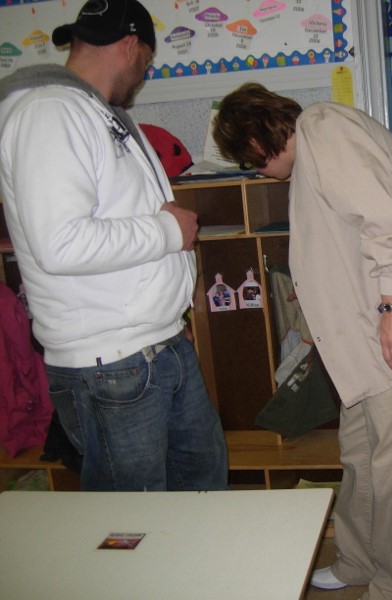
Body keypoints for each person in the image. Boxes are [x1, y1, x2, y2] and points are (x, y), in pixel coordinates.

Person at [212, 83, 392, 600]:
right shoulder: (320, 140)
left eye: (247, 161)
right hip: (366, 339)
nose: (254, 172)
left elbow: (387, 224)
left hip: (391, 332)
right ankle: (358, 560)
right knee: (361, 452)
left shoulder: (323, 129)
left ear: (255, 141)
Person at [0, 0, 228, 491]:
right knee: (131, 519)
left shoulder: (101, 114)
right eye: (146, 63)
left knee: (202, 483)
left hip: (155, 344)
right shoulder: (49, 113)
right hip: (112, 362)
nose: (143, 76)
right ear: (130, 47)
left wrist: (169, 317)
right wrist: (170, 232)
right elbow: (61, 243)